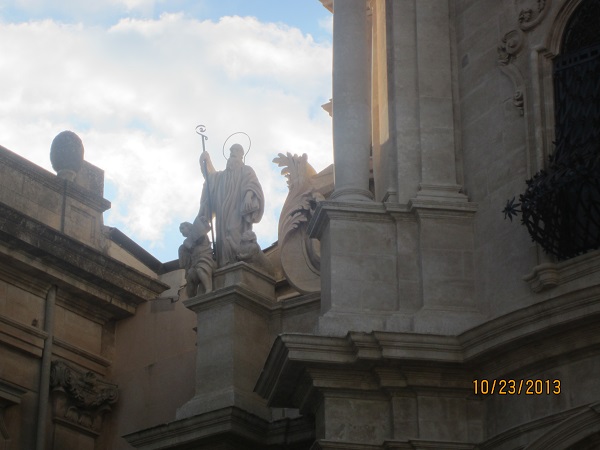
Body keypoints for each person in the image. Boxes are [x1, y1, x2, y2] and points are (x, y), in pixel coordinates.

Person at [197, 144, 264, 267]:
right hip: (222, 213)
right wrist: (206, 162)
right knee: (222, 236)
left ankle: (238, 259)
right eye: (232, 151)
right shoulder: (222, 176)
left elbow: (252, 183)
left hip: (237, 210)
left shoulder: (246, 170)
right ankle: (225, 263)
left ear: (241, 155)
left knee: (233, 230)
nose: (233, 153)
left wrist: (248, 196)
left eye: (236, 151)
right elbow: (211, 179)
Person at [178, 219, 215, 297]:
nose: (182, 232)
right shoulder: (186, 241)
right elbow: (191, 246)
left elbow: (204, 231)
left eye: (183, 228)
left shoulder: (198, 230)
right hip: (195, 261)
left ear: (189, 226)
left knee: (200, 269)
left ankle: (208, 289)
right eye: (181, 231)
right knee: (190, 276)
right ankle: (192, 297)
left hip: (205, 256)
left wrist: (202, 222)